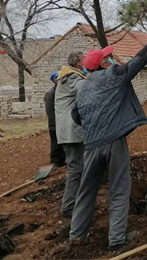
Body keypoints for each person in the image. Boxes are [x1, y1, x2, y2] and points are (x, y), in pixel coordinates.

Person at [69, 21, 147, 252]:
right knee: (119, 189)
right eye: (109, 57)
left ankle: (76, 235)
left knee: (86, 191)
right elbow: (137, 62)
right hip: (114, 141)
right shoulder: (114, 74)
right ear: (104, 63)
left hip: (92, 145)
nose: (112, 59)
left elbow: (76, 117)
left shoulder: (82, 87)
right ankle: (116, 240)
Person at [55, 52, 86, 218]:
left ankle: (78, 201)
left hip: (70, 129)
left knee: (80, 166)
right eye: (85, 60)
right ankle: (68, 207)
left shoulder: (71, 75)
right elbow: (85, 88)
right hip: (70, 130)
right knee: (76, 168)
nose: (87, 62)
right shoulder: (72, 77)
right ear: (77, 63)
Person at [45, 72, 66, 167]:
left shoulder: (61, 91)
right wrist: (54, 125)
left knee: (62, 143)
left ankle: (62, 160)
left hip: (62, 122)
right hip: (55, 124)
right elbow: (50, 111)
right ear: (54, 80)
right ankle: (54, 162)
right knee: (55, 143)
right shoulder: (50, 93)